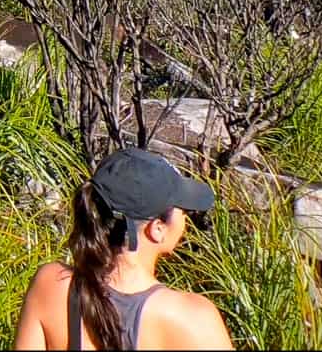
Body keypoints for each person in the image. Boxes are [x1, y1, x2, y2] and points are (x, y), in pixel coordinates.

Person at [12, 147, 234, 350]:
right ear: (156, 229)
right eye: (182, 210)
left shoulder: (51, 284)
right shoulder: (193, 319)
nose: (185, 217)